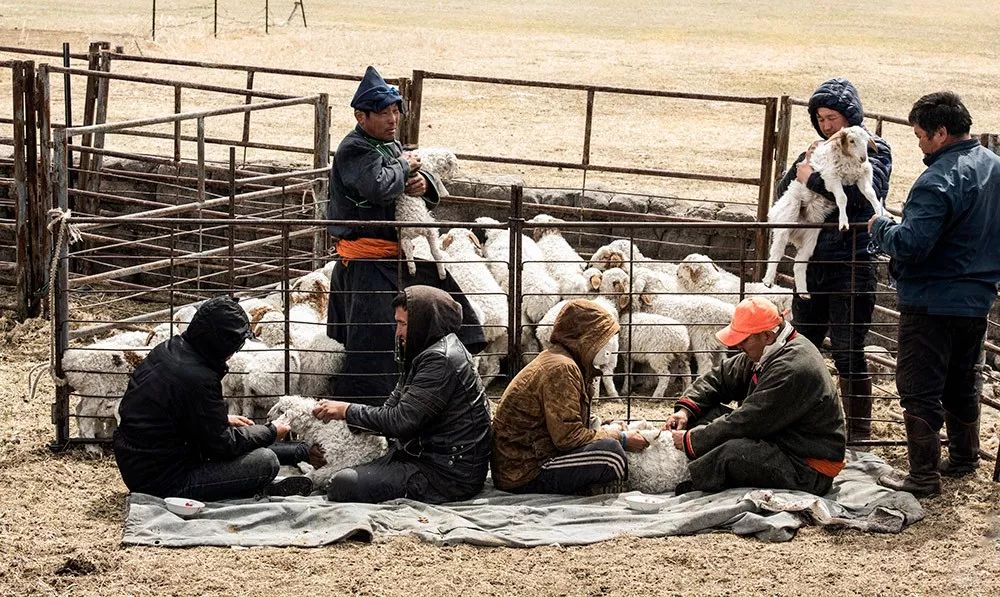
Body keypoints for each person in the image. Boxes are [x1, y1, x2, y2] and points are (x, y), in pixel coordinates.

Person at [325, 65, 484, 403]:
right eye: (384, 112)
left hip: (394, 256)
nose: (393, 118)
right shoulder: (355, 150)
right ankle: (368, 408)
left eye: (395, 110)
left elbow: (412, 172)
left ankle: (439, 378)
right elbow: (377, 186)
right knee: (376, 339)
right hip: (367, 261)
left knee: (443, 304)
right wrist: (404, 167)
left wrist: (424, 183)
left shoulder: (388, 144)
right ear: (361, 116)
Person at [869, 91, 1000, 497]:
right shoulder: (994, 167)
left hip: (931, 299)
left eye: (922, 136)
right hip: (977, 298)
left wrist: (881, 228)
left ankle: (923, 476)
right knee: (963, 378)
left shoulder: (938, 180)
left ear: (941, 133)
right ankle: (964, 457)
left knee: (919, 385)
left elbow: (911, 243)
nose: (920, 144)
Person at [774, 78, 893, 443]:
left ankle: (857, 434)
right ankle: (802, 425)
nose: (827, 126)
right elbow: (785, 190)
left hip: (851, 263)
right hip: (812, 264)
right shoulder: (816, 149)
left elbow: (867, 198)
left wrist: (813, 181)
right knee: (802, 347)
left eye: (833, 117)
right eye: (821, 118)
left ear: (850, 116)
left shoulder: (873, 148)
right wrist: (805, 173)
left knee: (848, 349)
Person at [113, 296, 313, 501]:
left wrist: (220, 420)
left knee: (249, 440)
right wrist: (271, 430)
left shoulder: (169, 349)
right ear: (222, 343)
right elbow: (223, 445)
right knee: (265, 461)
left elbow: (168, 412)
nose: (234, 353)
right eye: (236, 346)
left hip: (139, 462)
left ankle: (295, 455)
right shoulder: (199, 377)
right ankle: (258, 489)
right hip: (165, 480)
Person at [312, 286, 491, 504]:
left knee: (343, 484)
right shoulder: (426, 352)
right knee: (346, 473)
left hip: (447, 475)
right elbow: (390, 410)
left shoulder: (440, 361)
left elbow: (400, 421)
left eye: (403, 324)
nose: (398, 332)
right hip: (425, 456)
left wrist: (346, 411)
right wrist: (346, 416)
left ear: (424, 323)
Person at [665, 297, 846, 496]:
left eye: (744, 340)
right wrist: (685, 411)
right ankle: (703, 467)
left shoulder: (792, 368)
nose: (738, 346)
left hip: (806, 466)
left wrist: (694, 439)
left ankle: (691, 482)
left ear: (767, 335)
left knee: (731, 453)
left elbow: (748, 420)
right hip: (782, 440)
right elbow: (721, 377)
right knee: (703, 415)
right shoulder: (770, 349)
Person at [491, 300, 649, 495]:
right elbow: (568, 438)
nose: (608, 349)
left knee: (609, 446)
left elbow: (564, 422)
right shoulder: (562, 368)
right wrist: (621, 437)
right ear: (586, 339)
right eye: (602, 340)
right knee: (612, 455)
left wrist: (604, 426)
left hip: (528, 459)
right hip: (525, 471)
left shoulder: (564, 361)